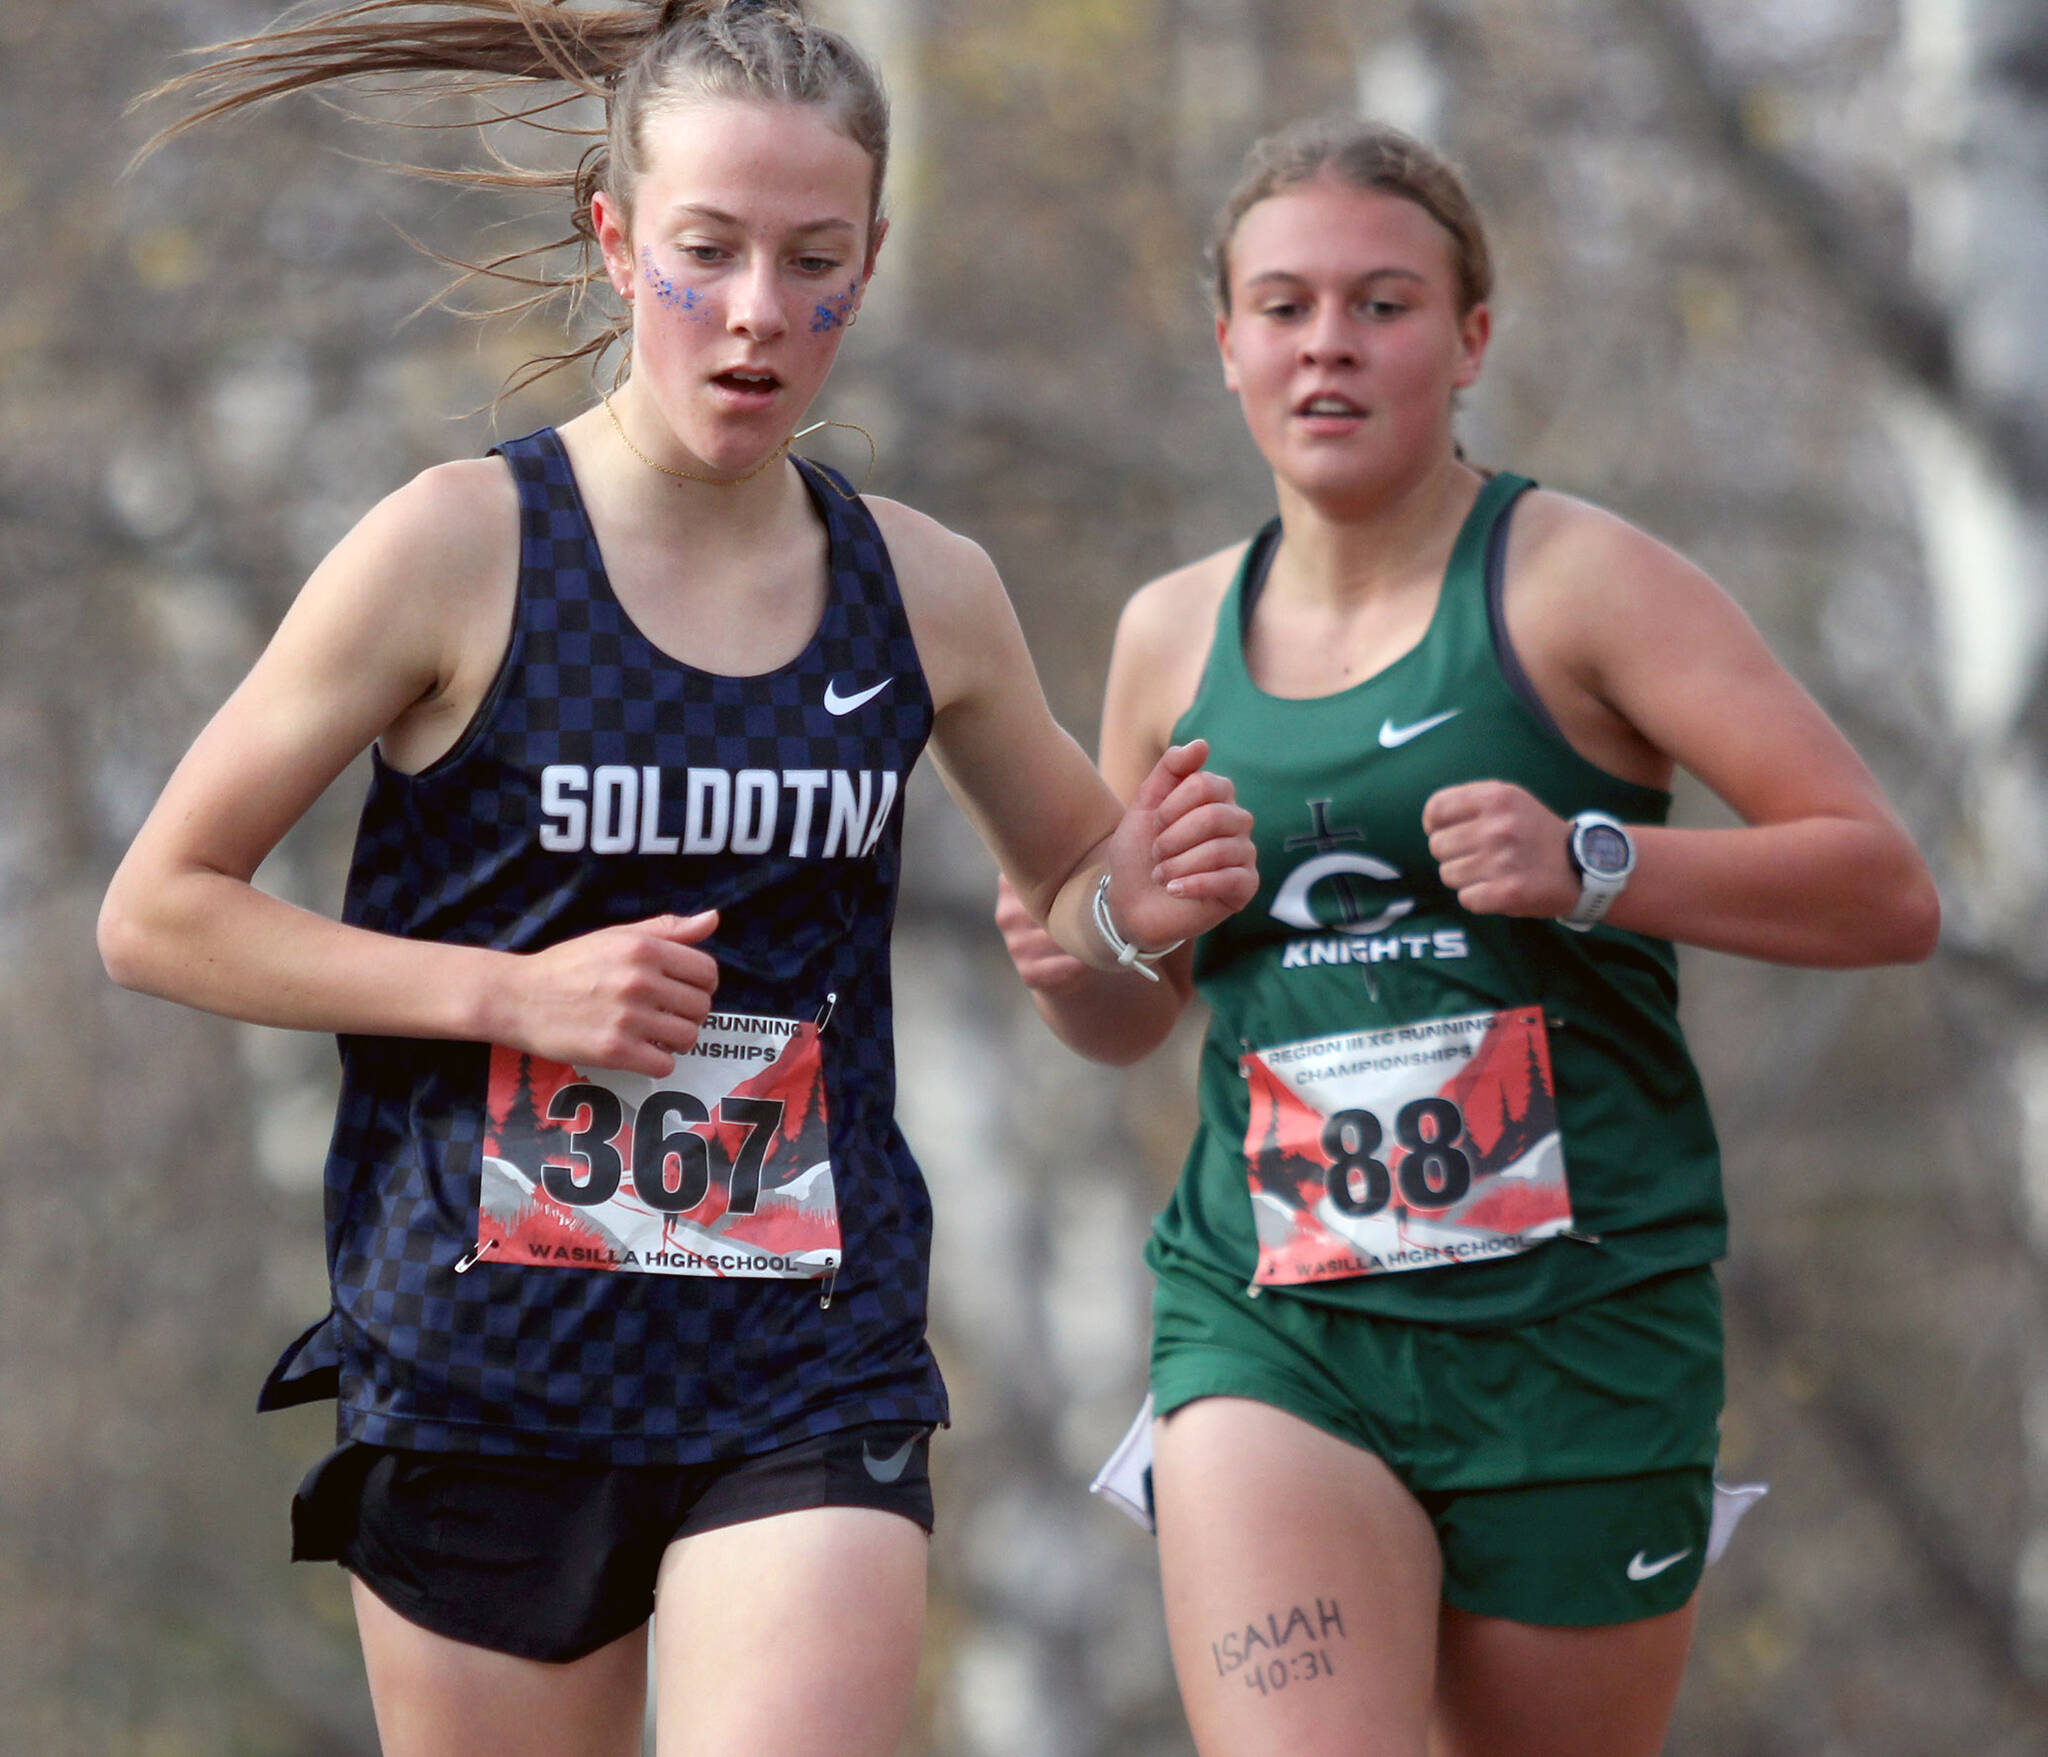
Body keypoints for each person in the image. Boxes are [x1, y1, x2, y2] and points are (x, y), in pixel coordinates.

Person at [98, 4, 1258, 1753]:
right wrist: (510, 992)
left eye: (814, 263)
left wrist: (1134, 918)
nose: (758, 316)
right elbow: (159, 907)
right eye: (707, 254)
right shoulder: (458, 546)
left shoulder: (923, 591)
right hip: (488, 1361)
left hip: (807, 1355)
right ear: (616, 237)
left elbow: (1108, 988)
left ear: (873, 261)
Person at [995, 115, 1940, 1757]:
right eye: (1283, 306)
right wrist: (1098, 945)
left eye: (1382, 302)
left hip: (1578, 1333)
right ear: (1225, 343)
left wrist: (1594, 860)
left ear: (1470, 336)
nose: (1329, 345)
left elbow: (1884, 887)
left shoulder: (1578, 581)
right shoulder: (1169, 635)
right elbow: (1127, 1016)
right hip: (1275, 1317)